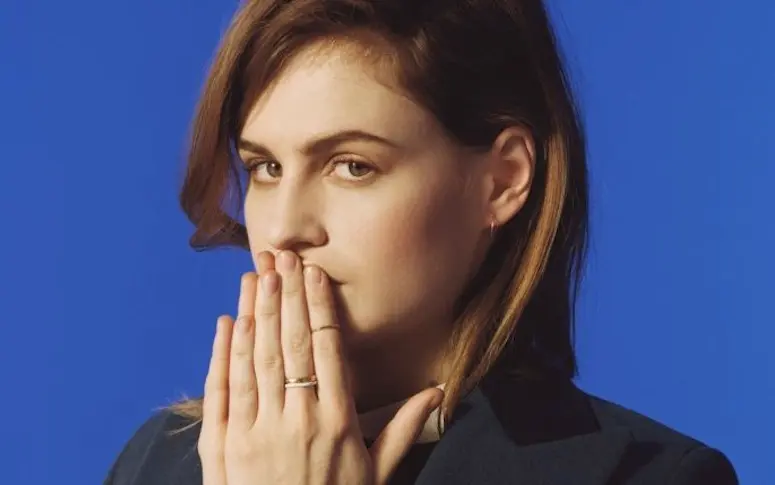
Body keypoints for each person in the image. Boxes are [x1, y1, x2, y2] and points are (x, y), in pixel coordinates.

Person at [103, 0, 739, 484]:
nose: (287, 226)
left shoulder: (645, 475)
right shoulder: (156, 460)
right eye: (266, 168)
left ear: (502, 180)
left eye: (352, 165)